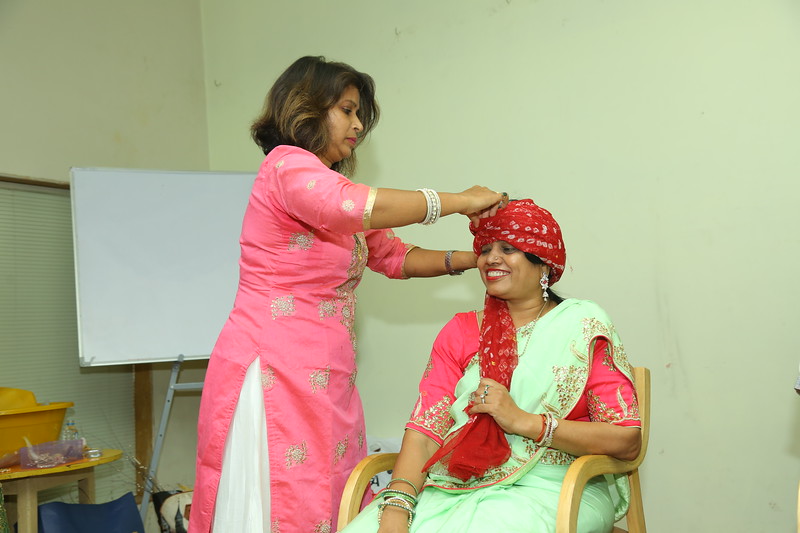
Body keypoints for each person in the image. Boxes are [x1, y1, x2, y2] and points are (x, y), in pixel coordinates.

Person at [188, 56, 507, 533]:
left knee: (330, 489)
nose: (358, 125)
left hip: (326, 372)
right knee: (285, 497)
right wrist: (460, 201)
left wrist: (473, 258)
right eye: (347, 110)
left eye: (360, 114)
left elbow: (393, 256)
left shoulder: (332, 188)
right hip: (275, 368)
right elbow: (350, 207)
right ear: (307, 109)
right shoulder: (287, 167)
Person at [342, 199, 641, 533]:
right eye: (485, 249)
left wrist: (525, 422)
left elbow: (626, 440)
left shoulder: (581, 324)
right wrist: (398, 507)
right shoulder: (461, 330)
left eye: (508, 248)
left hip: (557, 486)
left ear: (543, 264)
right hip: (455, 486)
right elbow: (426, 431)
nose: (491, 258)